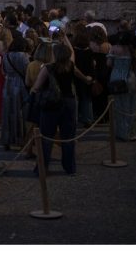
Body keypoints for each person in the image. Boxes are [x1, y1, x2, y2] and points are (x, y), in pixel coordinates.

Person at [33, 39, 93, 174]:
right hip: (69, 102)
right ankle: (70, 167)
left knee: (46, 137)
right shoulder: (71, 66)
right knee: (68, 137)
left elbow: (36, 87)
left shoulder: (48, 68)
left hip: (51, 104)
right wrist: (88, 79)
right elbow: (84, 78)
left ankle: (42, 168)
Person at [107, 31, 136, 141]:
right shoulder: (134, 52)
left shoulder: (114, 48)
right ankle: (131, 132)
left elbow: (108, 64)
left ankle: (121, 132)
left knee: (118, 107)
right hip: (130, 79)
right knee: (131, 107)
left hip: (115, 78)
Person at [1, 38, 30, 151]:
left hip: (8, 84)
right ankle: (21, 139)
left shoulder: (6, 56)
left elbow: (3, 71)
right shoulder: (24, 56)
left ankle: (7, 140)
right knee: (20, 112)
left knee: (7, 112)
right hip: (20, 85)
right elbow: (26, 71)